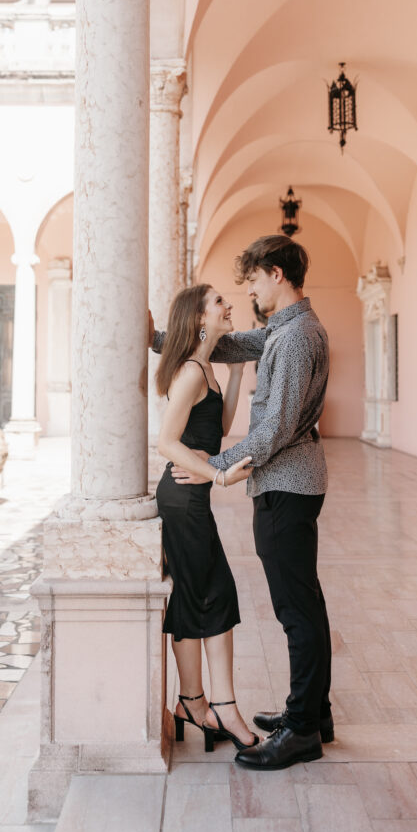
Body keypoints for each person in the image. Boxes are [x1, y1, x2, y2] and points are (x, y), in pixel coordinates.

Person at [153, 235, 332, 770]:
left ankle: (303, 730)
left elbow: (274, 426)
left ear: (276, 274)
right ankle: (311, 712)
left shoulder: (297, 337)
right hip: (285, 483)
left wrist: (220, 470)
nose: (247, 290)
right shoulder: (283, 329)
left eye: (253, 278)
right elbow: (222, 345)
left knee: (296, 610)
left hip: (287, 485)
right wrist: (157, 336)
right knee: (301, 604)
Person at [154, 283, 259, 753]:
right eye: (218, 301)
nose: (228, 304)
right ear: (199, 317)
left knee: (200, 595)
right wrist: (216, 476)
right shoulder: (192, 372)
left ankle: (193, 703)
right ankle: (219, 706)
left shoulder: (207, 370)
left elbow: (215, 431)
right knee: (214, 593)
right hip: (182, 498)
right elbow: (167, 443)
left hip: (191, 499)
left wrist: (236, 374)